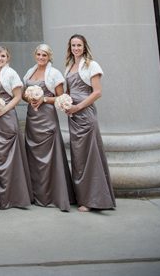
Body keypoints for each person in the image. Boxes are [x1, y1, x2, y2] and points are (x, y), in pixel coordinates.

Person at [64, 33, 116, 212]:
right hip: (73, 117)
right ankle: (81, 197)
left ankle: (94, 200)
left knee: (89, 155)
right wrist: (65, 104)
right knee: (78, 157)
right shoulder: (69, 66)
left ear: (84, 47)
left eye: (79, 45)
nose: (76, 48)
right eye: (73, 45)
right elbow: (68, 91)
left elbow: (97, 92)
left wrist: (78, 107)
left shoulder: (91, 65)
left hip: (85, 115)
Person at [23, 43, 75, 211]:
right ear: (35, 55)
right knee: (33, 155)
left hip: (47, 119)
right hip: (32, 119)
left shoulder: (54, 74)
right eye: (38, 54)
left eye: (44, 55)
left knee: (49, 156)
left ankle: (53, 195)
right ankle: (36, 194)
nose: (41, 58)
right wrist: (30, 98)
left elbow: (61, 97)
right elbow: (24, 94)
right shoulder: (30, 72)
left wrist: (43, 99)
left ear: (49, 57)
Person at [0, 46, 32, 209]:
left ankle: (13, 197)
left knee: (9, 157)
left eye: (3, 56)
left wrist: (3, 110)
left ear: (8, 58)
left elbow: (18, 97)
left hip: (7, 118)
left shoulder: (11, 74)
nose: (0, 58)